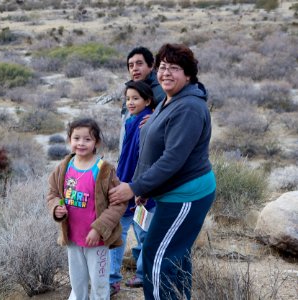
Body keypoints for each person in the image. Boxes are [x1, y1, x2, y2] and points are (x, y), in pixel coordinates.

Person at [109, 43, 216, 300]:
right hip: (170, 192)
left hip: (185, 196)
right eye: (164, 67)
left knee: (157, 256)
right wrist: (147, 188)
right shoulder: (169, 100)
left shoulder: (188, 107)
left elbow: (172, 160)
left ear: (188, 75)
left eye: (175, 68)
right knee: (175, 256)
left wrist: (135, 186)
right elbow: (155, 150)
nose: (166, 73)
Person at [47, 118, 127, 300]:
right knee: (77, 283)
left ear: (96, 142)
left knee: (99, 284)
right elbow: (53, 194)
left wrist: (98, 229)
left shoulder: (104, 170)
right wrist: (57, 208)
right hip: (73, 238)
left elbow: (118, 203)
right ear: (69, 140)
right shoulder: (63, 167)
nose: (81, 143)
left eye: (87, 139)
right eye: (76, 138)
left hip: (96, 241)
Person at [109, 81, 157, 296]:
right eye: (128, 98)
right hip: (124, 185)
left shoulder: (147, 122)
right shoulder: (131, 121)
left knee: (142, 232)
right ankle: (114, 277)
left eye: (135, 98)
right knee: (120, 230)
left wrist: (140, 188)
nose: (130, 102)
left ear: (147, 101)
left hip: (139, 189)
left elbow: (146, 159)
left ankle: (139, 275)